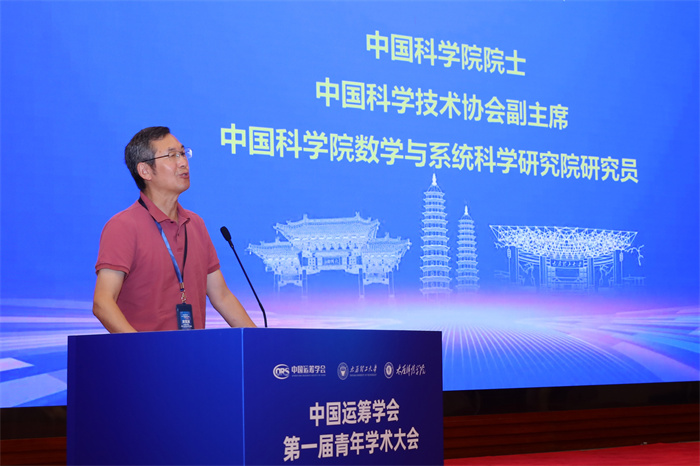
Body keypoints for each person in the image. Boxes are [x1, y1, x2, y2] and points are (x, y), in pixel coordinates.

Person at [93, 126, 256, 332]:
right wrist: (142, 348)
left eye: (183, 153)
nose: (183, 162)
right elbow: (103, 303)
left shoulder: (195, 224)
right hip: (147, 352)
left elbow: (222, 296)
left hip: (193, 351)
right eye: (172, 156)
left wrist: (260, 343)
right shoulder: (123, 226)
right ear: (145, 171)